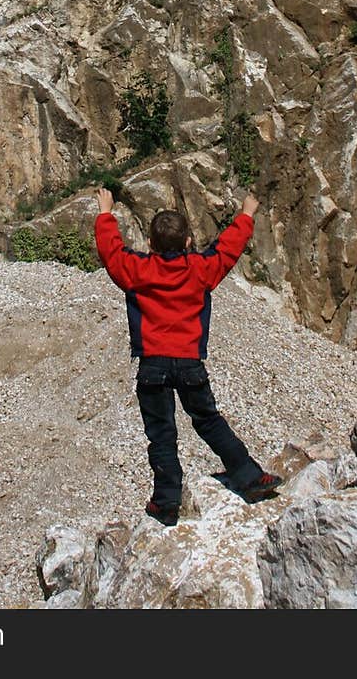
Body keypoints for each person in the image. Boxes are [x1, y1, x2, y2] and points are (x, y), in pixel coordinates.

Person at [94, 186, 281, 526]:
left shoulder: (138, 271)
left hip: (152, 365)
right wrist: (247, 214)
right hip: (190, 362)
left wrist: (105, 214)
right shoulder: (199, 269)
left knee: (162, 435)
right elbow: (227, 250)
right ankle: (249, 476)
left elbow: (112, 252)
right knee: (209, 421)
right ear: (189, 242)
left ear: (150, 245)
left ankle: (166, 504)